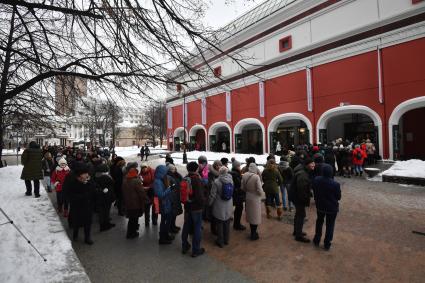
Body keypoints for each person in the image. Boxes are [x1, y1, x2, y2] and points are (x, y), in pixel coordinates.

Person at [64, 163, 96, 245]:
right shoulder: (73, 182)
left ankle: (87, 237)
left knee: (88, 222)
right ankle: (75, 234)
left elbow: (93, 191)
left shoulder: (89, 181)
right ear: (79, 176)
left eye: (87, 173)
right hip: (77, 206)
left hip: (88, 206)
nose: (87, 175)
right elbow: (70, 195)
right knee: (77, 221)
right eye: (84, 174)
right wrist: (83, 195)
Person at [312, 164, 341, 251]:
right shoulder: (335, 184)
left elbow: (314, 190)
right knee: (330, 225)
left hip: (320, 205)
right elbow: (338, 197)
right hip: (331, 208)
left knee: (319, 221)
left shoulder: (317, 180)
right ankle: (327, 243)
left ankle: (317, 239)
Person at [181, 162, 206, 257]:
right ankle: (196, 250)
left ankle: (184, 246)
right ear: (196, 169)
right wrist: (203, 203)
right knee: (197, 228)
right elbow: (199, 196)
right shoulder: (196, 179)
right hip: (196, 208)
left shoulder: (186, 178)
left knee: (186, 227)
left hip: (187, 207)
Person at [209, 166, 233, 248]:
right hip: (229, 204)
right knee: (227, 223)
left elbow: (213, 195)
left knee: (219, 223)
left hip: (219, 205)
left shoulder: (216, 182)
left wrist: (210, 203)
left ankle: (220, 241)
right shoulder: (231, 180)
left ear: (219, 172)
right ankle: (226, 240)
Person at [292, 158, 315, 243]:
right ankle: (298, 236)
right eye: (312, 163)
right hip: (298, 198)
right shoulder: (303, 174)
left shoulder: (304, 171)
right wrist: (305, 199)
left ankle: (296, 231)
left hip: (296, 197)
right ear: (307, 165)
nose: (314, 165)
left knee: (298, 214)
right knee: (301, 215)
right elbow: (301, 189)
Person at [241, 163, 264, 240]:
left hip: (248, 196)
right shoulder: (256, 177)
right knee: (255, 216)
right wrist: (261, 194)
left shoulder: (244, 175)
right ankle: (254, 233)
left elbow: (242, 187)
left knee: (250, 215)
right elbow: (259, 190)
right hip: (255, 198)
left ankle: (252, 231)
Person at [122, 166, 146, 239]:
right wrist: (146, 199)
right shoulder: (136, 181)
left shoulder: (125, 180)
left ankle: (131, 232)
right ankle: (132, 233)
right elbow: (141, 192)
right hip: (136, 203)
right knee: (134, 219)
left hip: (128, 202)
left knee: (131, 219)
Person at [154, 165, 174, 244]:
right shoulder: (157, 182)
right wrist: (169, 189)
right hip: (162, 204)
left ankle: (166, 235)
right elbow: (160, 195)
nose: (166, 174)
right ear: (161, 173)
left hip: (166, 203)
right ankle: (162, 238)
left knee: (167, 220)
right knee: (164, 221)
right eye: (165, 172)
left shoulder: (161, 179)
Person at [94, 164, 116, 232]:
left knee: (103, 212)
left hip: (101, 197)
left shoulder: (97, 176)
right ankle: (104, 226)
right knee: (105, 212)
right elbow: (112, 184)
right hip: (106, 197)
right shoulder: (105, 177)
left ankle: (106, 224)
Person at [166, 164, 183, 233]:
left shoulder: (175, 175)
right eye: (173, 169)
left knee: (174, 213)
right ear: (170, 170)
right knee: (172, 214)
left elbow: (181, 179)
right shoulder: (168, 177)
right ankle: (170, 227)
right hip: (172, 198)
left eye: (175, 169)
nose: (175, 170)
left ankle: (173, 226)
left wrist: (176, 172)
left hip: (176, 196)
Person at [230, 160, 246, 230]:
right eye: (239, 166)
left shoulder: (233, 173)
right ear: (236, 166)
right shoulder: (235, 174)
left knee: (238, 209)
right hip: (237, 194)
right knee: (239, 209)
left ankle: (237, 224)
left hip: (236, 194)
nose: (240, 167)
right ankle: (237, 224)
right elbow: (239, 184)